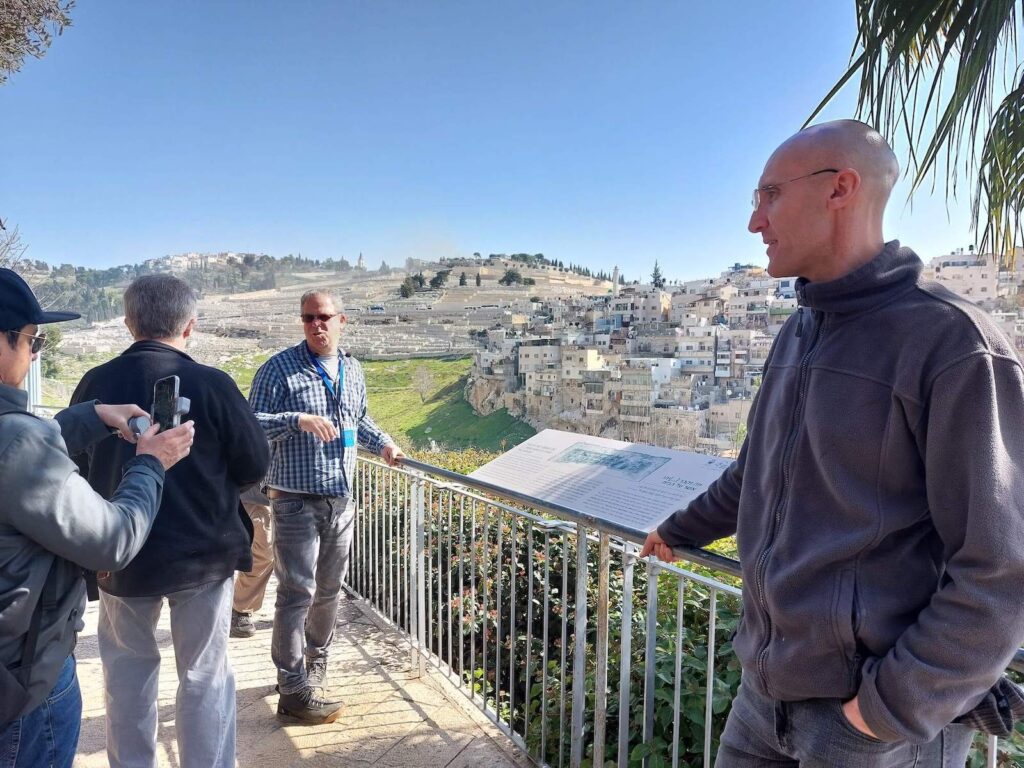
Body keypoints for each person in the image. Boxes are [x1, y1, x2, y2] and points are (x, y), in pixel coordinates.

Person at [641, 120, 1024, 767]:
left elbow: (1000, 567)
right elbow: (754, 475)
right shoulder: (797, 334)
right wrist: (677, 531)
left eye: (769, 196)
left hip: (871, 722)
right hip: (766, 698)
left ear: (840, 189)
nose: (754, 222)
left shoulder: (952, 343)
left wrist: (882, 712)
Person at [69, 275, 270, 768]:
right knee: (205, 675)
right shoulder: (214, 385)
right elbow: (253, 466)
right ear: (190, 326)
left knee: (127, 676)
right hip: (203, 556)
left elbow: (70, 461)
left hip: (120, 554)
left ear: (128, 322)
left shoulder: (96, 383)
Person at [0, 268, 194, 767]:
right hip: (24, 682)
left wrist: (90, 416)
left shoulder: (17, 438)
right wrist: (152, 462)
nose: (36, 351)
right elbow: (111, 540)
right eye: (32, 338)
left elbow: (17, 466)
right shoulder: (18, 439)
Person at [249, 289, 405, 724]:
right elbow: (250, 425)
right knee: (297, 591)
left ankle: (315, 661)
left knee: (330, 590)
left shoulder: (353, 370)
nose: (316, 325)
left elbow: (360, 419)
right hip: (294, 501)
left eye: (323, 317)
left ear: (342, 321)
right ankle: (292, 683)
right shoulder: (278, 369)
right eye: (307, 318)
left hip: (341, 500)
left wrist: (386, 445)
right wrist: (295, 420)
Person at [230, 484, 273, 638]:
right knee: (262, 555)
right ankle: (241, 607)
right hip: (255, 495)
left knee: (299, 556)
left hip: (299, 494)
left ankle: (300, 609)